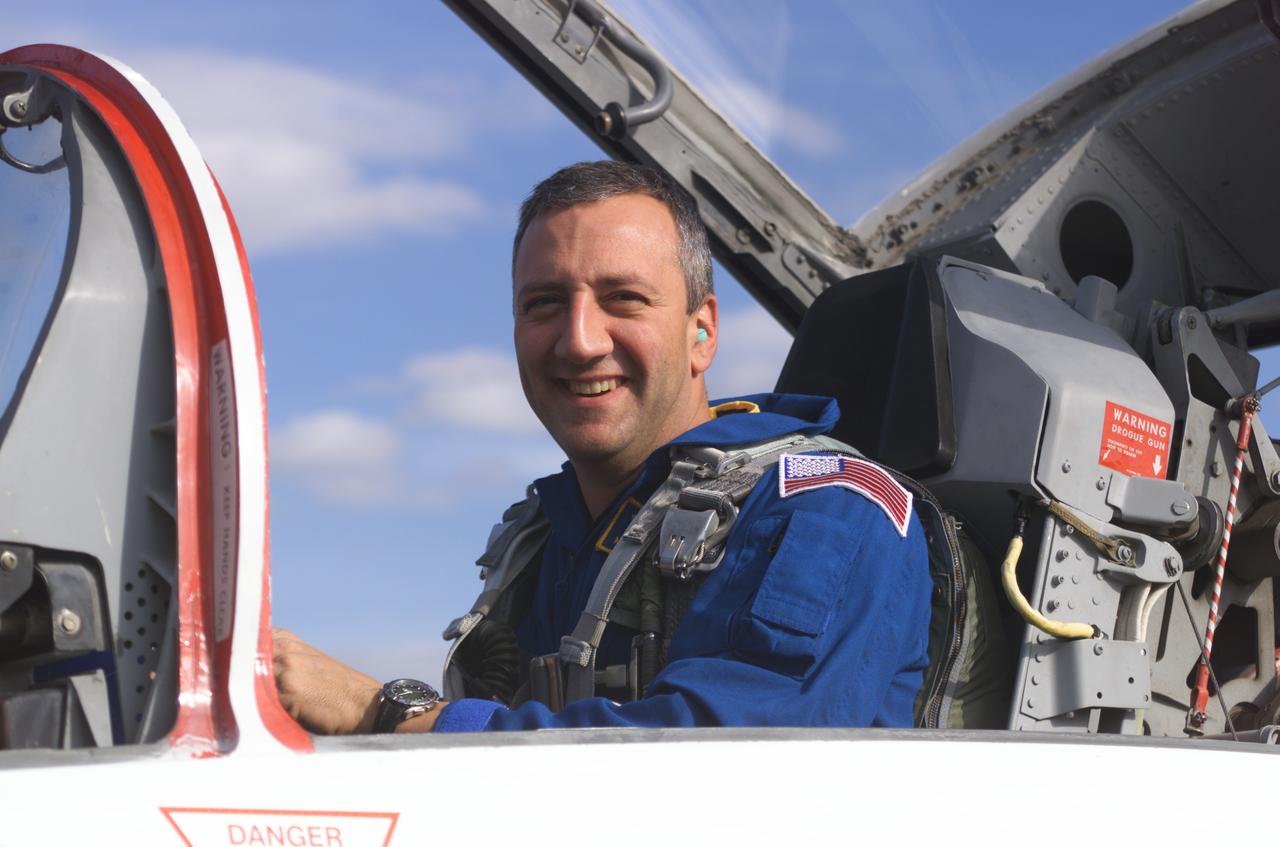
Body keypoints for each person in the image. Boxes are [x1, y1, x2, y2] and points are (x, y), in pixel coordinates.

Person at [273, 160, 932, 734]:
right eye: (544, 303)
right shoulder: (548, 539)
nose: (580, 340)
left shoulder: (829, 511)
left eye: (623, 298)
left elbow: (729, 767)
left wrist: (383, 711)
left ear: (702, 331)